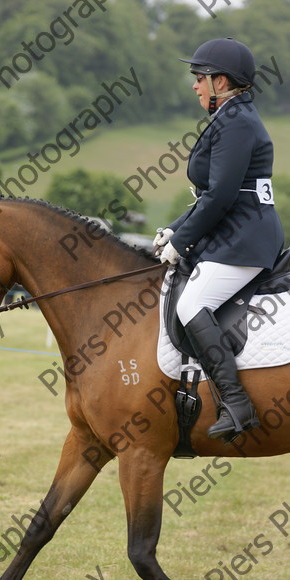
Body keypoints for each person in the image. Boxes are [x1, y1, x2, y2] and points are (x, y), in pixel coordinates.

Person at [153, 38, 284, 442]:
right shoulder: (231, 118)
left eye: (199, 78)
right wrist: (177, 228)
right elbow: (211, 196)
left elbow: (222, 196)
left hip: (244, 238)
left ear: (220, 82)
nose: (194, 85)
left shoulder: (238, 122)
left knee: (193, 303)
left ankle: (236, 403)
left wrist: (183, 241)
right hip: (233, 232)